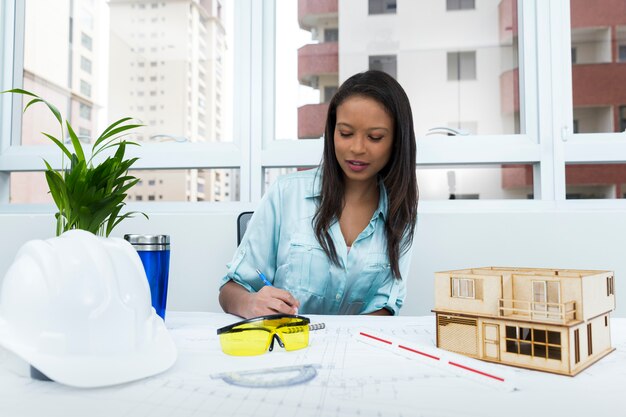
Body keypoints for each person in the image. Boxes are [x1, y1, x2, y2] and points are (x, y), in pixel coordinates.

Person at [219, 70, 418, 318]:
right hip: (284, 348)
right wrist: (249, 303)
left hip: (356, 353)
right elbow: (229, 291)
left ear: (397, 141)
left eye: (375, 137)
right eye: (345, 133)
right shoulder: (286, 194)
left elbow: (387, 306)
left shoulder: (401, 213)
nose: (357, 148)